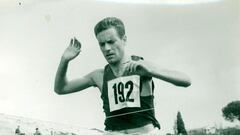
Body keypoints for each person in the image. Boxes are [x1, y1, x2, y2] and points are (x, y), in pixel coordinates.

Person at [54, 17, 191, 135]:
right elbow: (61, 89)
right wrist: (64, 60)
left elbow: (186, 80)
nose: (107, 48)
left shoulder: (141, 66)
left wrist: (151, 71)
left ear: (124, 39)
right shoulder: (99, 76)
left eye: (111, 42)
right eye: (102, 44)